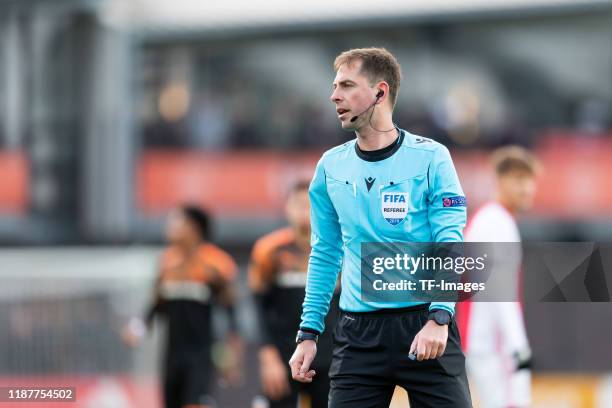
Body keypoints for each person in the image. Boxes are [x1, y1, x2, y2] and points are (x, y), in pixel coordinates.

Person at [288, 47, 472, 407]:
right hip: (359, 336)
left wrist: (440, 316)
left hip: (425, 322)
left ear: (380, 92)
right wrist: (308, 332)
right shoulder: (329, 168)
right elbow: (325, 253)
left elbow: (449, 243)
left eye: (346, 85)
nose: (334, 95)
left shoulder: (432, 157)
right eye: (334, 86)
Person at [122, 205, 241, 408]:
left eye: (176, 221)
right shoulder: (166, 263)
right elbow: (157, 304)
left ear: (193, 227)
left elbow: (231, 312)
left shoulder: (217, 265)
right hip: (171, 355)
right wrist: (139, 327)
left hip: (201, 355)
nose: (169, 226)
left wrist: (232, 354)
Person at [457, 146, 538, 408]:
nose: (526, 188)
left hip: (482, 340)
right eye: (518, 180)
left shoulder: (488, 219)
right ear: (500, 181)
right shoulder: (497, 222)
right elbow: (500, 292)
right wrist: (518, 346)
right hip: (494, 342)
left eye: (529, 180)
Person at [249, 180, 340, 408]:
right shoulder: (269, 250)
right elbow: (258, 308)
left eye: (310, 204)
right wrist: (268, 358)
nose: (304, 210)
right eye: (298, 203)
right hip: (284, 357)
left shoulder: (340, 248)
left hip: (332, 358)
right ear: (287, 208)